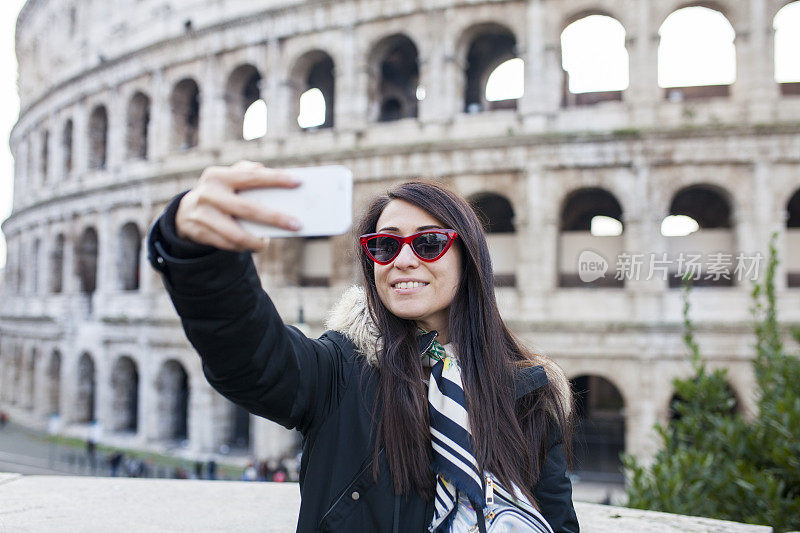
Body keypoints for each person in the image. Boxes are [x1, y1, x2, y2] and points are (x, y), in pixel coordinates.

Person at [147, 162, 578, 532]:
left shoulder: (528, 390)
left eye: (429, 243)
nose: (404, 260)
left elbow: (557, 520)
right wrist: (200, 256)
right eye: (385, 245)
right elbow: (252, 361)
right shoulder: (340, 368)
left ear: (468, 256)